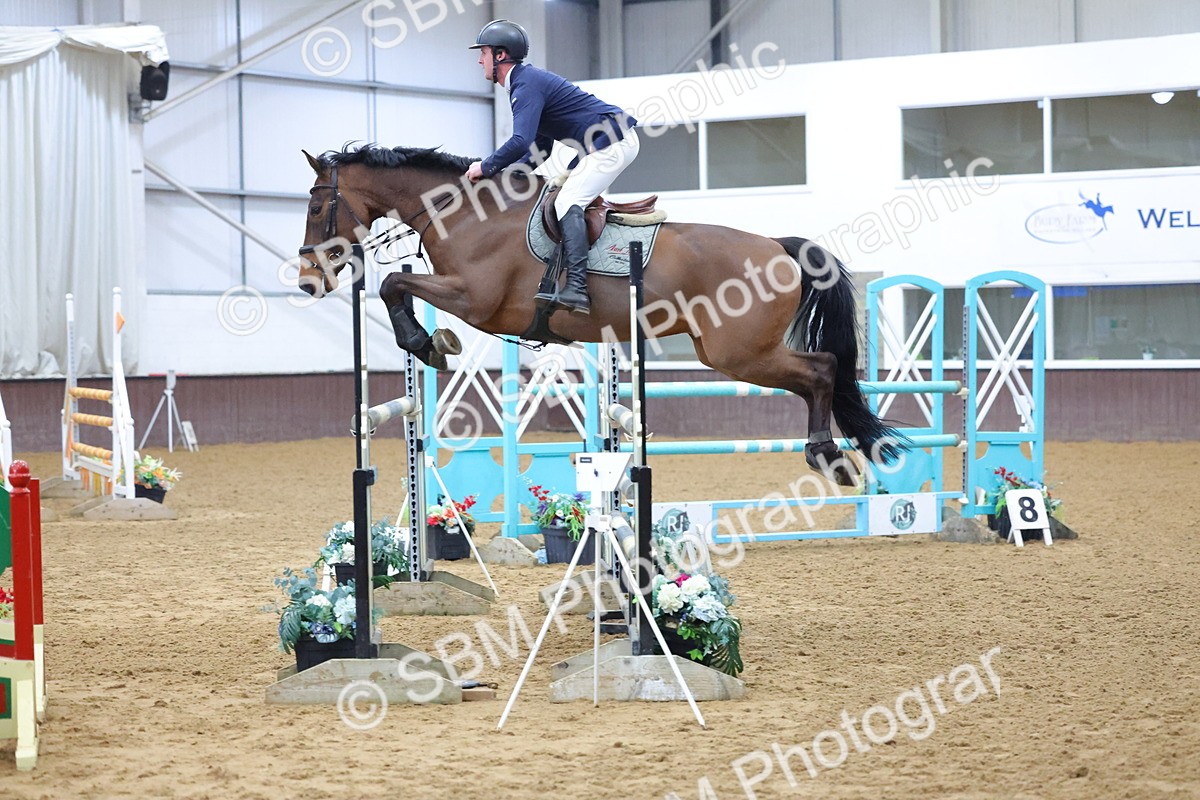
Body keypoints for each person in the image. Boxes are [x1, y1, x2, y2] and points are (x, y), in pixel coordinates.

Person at [465, 19, 640, 316]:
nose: (479, 59)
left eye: (483, 52)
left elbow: (521, 141)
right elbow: (541, 148)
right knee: (561, 196)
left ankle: (577, 289)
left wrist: (487, 166)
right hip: (601, 144)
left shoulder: (525, 84)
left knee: (567, 201)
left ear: (500, 55)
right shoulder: (525, 83)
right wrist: (508, 176)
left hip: (613, 141)